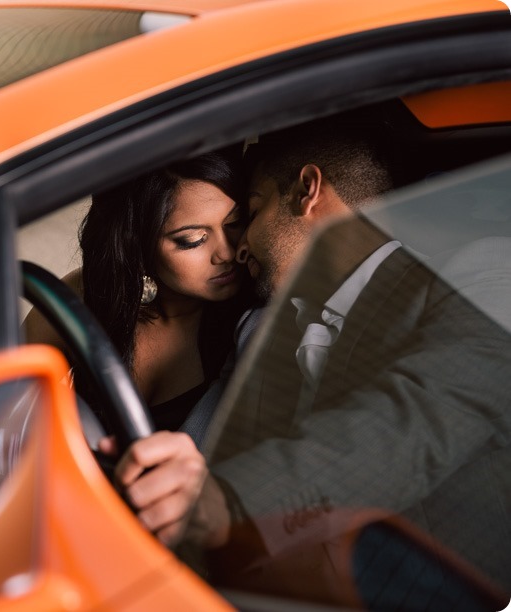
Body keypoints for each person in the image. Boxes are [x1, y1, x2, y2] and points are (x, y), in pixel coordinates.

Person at [107, 117, 511, 603]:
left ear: (306, 191)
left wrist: (227, 501)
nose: (236, 252)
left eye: (250, 216)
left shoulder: (482, 273)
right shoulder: (263, 330)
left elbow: (419, 417)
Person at [25, 151, 254, 437]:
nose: (228, 253)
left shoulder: (253, 317)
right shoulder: (81, 298)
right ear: (140, 247)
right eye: (192, 240)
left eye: (235, 223)